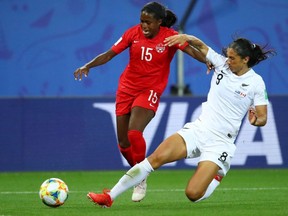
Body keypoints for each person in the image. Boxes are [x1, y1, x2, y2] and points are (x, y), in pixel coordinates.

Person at [86, 33, 276, 208]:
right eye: (227, 55)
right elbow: (200, 45)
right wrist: (183, 37)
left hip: (221, 142)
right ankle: (110, 196)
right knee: (154, 159)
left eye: (233, 58)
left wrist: (254, 120)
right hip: (198, 129)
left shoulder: (256, 83)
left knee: (192, 194)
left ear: (246, 59)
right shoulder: (221, 64)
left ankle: (216, 176)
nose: (228, 60)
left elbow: (262, 117)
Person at [74, 2, 207, 202]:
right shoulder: (132, 33)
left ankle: (140, 178)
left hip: (150, 90)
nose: (144, 26)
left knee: (134, 132)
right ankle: (138, 171)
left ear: (159, 22)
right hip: (126, 89)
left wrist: (208, 60)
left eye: (148, 22)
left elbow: (192, 51)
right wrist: (88, 65)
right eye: (142, 21)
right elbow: (110, 54)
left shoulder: (170, 36)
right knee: (123, 143)